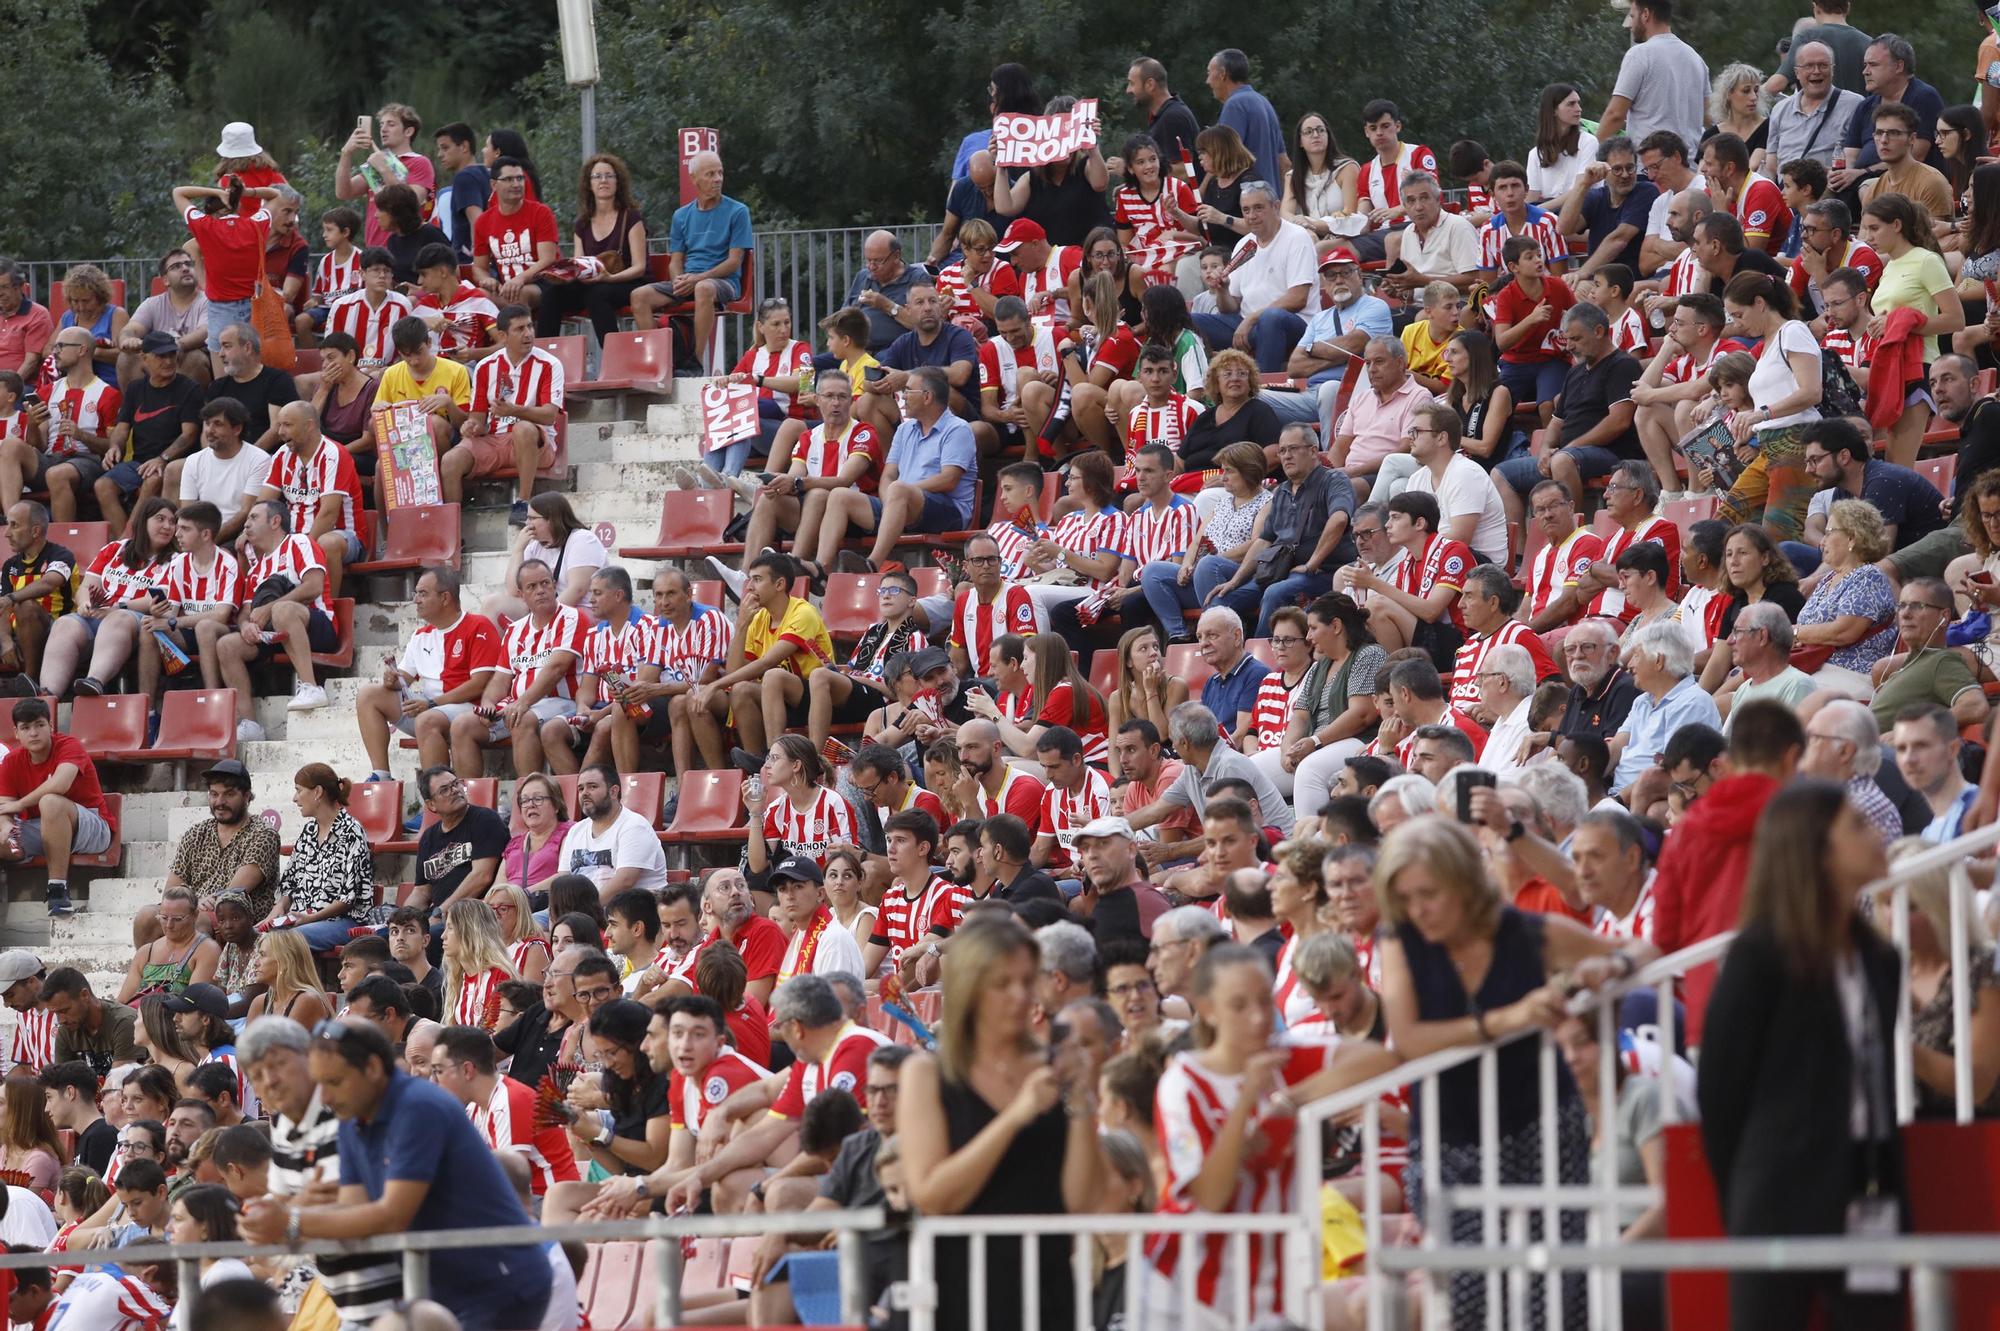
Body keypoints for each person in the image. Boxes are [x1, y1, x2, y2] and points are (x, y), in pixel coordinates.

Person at [1376, 815, 1657, 1326]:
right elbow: (1410, 1038)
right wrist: (1513, 1018)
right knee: (1468, 1301)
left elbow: (1643, 950)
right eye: (1406, 897)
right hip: (1449, 1139)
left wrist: (1612, 967)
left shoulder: (1526, 932)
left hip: (1541, 1127)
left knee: (1555, 1295)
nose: (1417, 909)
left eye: (1429, 893)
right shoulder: (1400, 939)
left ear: (1463, 882)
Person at [1697, 779, 1899, 1329]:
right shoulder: (1758, 957)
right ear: (1814, 848)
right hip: (1776, 1196)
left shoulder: (1880, 958)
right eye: (1857, 825)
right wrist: (1743, 1202)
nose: (1878, 833)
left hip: (1871, 1190)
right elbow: (1720, 1095)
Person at [240, 1016, 551, 1330]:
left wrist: (290, 1221)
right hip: (443, 1290)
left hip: (499, 1284)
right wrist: (286, 1216)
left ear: (373, 1068)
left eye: (334, 1083)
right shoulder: (351, 1117)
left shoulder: (419, 1106)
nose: (326, 1098)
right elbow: (353, 1211)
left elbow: (392, 1216)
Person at [356, 566, 503, 781]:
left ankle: (441, 794)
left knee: (426, 719)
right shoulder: (421, 635)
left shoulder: (478, 626)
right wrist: (393, 680)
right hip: (432, 707)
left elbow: (480, 684)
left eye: (423, 593)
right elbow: (404, 678)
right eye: (416, 593)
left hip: (471, 708)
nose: (416, 599)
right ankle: (381, 775)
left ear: (445, 598)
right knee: (369, 695)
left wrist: (433, 703)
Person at [38, 497, 175, 701]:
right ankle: (47, 695)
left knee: (119, 618)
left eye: (172, 522)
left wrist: (117, 606)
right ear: (142, 521)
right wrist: (85, 603)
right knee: (65, 623)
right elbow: (87, 586)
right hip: (100, 614)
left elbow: (154, 600)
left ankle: (94, 681)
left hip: (137, 621)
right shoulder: (115, 549)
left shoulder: (176, 559)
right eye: (160, 519)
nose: (167, 526)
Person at [441, 304, 565, 527]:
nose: (528, 333)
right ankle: (451, 530)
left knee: (523, 428)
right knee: (450, 460)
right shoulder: (485, 366)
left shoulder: (550, 364)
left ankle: (523, 503)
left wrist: (515, 410)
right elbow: (477, 419)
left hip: (537, 442)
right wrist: (470, 426)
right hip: (495, 440)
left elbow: (548, 416)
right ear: (502, 336)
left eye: (529, 326)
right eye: (519, 329)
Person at [1862, 191, 1962, 466]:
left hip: (1917, 364)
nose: (1868, 236)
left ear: (1896, 225)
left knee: (1899, 464)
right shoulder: (1889, 267)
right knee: (1886, 463)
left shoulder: (1926, 260)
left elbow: (1956, 320)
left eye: (1874, 228)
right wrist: (1880, 324)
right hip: (1889, 363)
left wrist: (1896, 323)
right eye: (1865, 228)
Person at [631, 151, 752, 367]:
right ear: (694, 178)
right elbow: (676, 261)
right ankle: (659, 363)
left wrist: (696, 279)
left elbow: (734, 262)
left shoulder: (738, 211)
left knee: (703, 288)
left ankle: (694, 361)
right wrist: (679, 281)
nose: (718, 179)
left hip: (723, 282)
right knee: (639, 296)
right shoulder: (681, 215)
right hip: (691, 280)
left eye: (720, 173)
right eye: (710, 174)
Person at [0, 697, 112, 917]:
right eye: (26, 728)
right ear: (16, 733)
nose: (33, 733)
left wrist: (20, 804)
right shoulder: (12, 760)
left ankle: (57, 888)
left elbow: (60, 784)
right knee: (3, 834)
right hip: (40, 828)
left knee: (50, 801)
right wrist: (5, 827)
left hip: (91, 827)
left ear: (50, 727)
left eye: (39, 725)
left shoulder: (69, 745)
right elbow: (4, 806)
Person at [534, 152, 649, 343]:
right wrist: (566, 274)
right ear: (589, 184)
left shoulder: (631, 217)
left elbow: (639, 267)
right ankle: (545, 357)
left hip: (627, 281)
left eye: (609, 176)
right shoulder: (582, 223)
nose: (603, 181)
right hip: (594, 283)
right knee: (551, 295)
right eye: (597, 176)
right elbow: (579, 265)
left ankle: (615, 357)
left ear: (618, 182)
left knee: (597, 295)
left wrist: (610, 278)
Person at [11, 326, 119, 520]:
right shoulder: (47, 391)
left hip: (88, 460)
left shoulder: (108, 394)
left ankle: (63, 541)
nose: (55, 352)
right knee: (9, 446)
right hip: (52, 458)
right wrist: (34, 424)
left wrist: (81, 435)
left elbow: (112, 447)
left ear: (82, 349)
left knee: (56, 474)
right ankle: (12, 520)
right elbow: (38, 445)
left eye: (61, 346)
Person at [269, 763, 373, 951]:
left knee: (288, 941)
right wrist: (278, 909)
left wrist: (311, 918)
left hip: (342, 921)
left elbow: (348, 898)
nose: (295, 798)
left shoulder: (351, 831)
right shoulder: (309, 831)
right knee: (254, 936)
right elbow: (291, 880)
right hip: (302, 919)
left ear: (317, 792)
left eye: (299, 791)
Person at [1597, 0, 1708, 147]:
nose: (1629, 24)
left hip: (1650, 165)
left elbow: (1615, 115)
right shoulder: (1696, 59)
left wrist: (1591, 152)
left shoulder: (1639, 55)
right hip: (1690, 164)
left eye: (1632, 16)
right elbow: (1707, 117)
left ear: (1645, 14)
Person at [555, 763, 668, 898]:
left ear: (613, 792)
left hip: (625, 910)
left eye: (592, 786)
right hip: (580, 911)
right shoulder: (575, 830)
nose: (584, 793)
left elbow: (625, 881)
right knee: (534, 918)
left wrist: (588, 910)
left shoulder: (634, 826)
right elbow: (563, 879)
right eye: (580, 789)